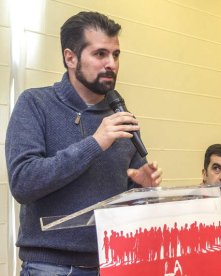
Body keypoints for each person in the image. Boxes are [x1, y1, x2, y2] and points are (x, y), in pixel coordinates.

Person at [6, 11, 162, 275]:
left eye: (116, 55)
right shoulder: (35, 104)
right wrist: (96, 142)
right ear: (70, 57)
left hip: (111, 263)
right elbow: (23, 182)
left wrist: (142, 187)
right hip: (50, 266)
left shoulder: (120, 117)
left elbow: (130, 199)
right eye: (100, 54)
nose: (111, 63)